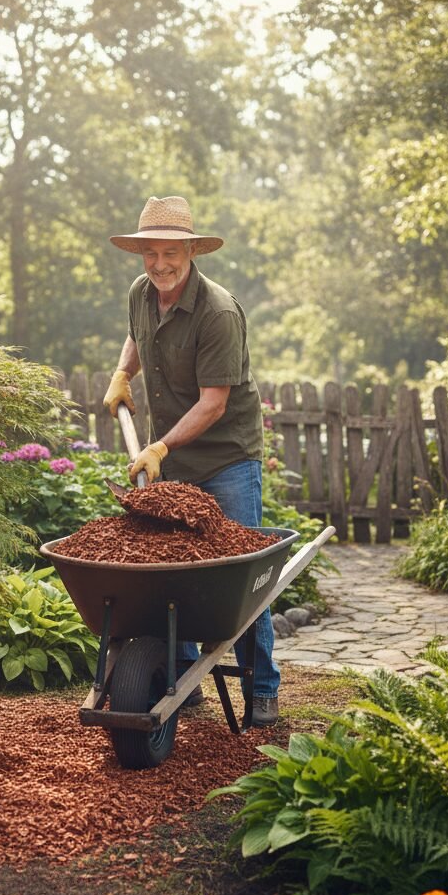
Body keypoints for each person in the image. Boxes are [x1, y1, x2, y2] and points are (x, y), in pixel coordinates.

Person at [102, 195, 278, 726]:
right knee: (167, 566)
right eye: (149, 253)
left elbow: (214, 403)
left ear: (191, 250)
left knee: (240, 578)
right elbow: (137, 334)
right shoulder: (141, 292)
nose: (160, 264)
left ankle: (263, 688)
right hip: (171, 454)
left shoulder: (218, 312)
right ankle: (176, 675)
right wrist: (122, 374)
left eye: (170, 252)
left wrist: (159, 447)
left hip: (226, 458)